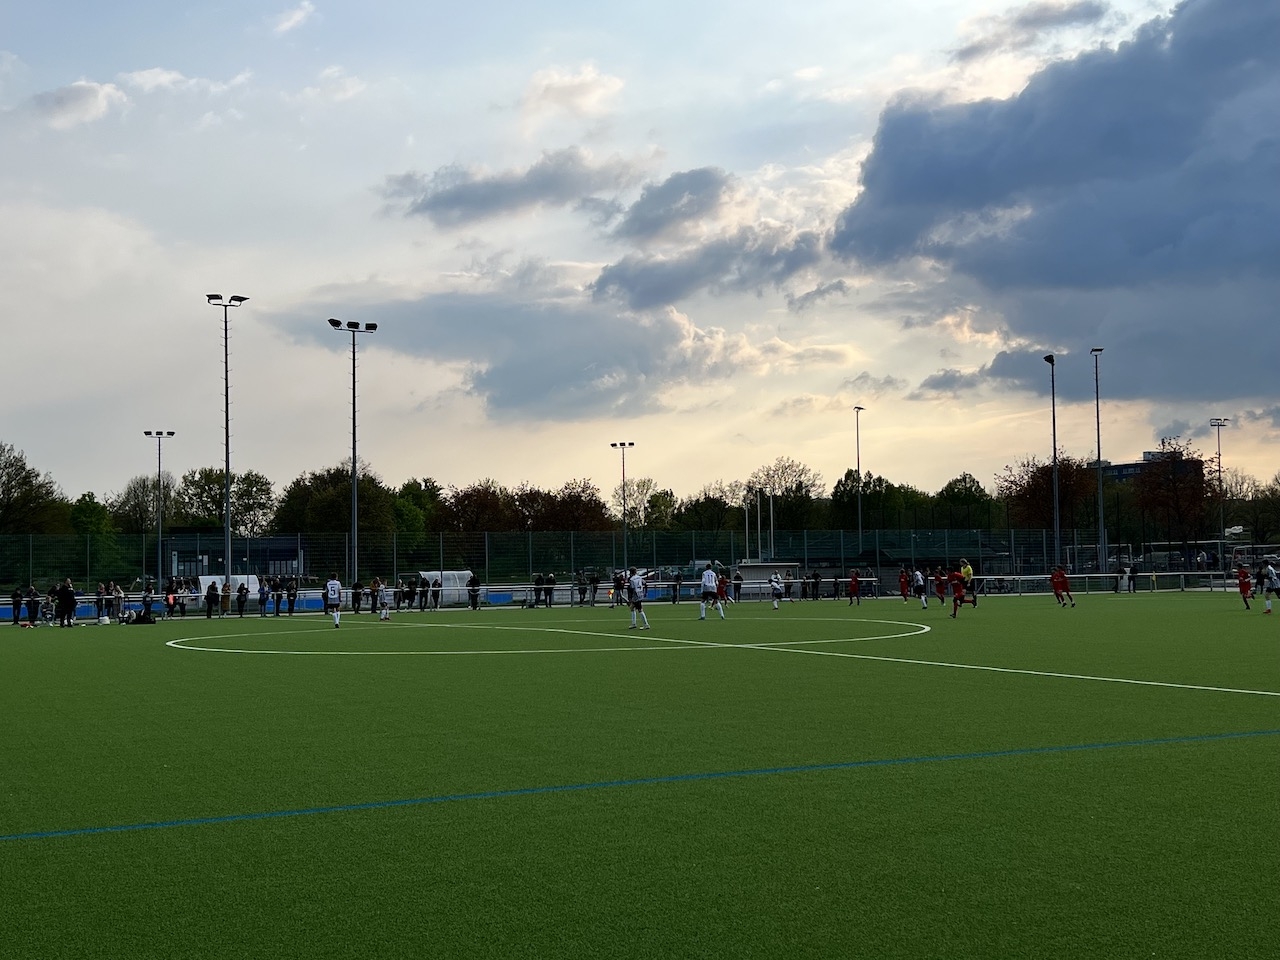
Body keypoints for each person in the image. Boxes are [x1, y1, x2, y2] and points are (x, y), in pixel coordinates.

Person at [627, 566, 651, 630]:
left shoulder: (632, 579)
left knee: (640, 610)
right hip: (640, 593)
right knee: (632, 607)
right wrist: (645, 592)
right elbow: (645, 583)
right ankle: (634, 623)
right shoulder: (639, 577)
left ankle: (646, 624)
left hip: (636, 595)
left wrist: (630, 598)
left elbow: (632, 589)